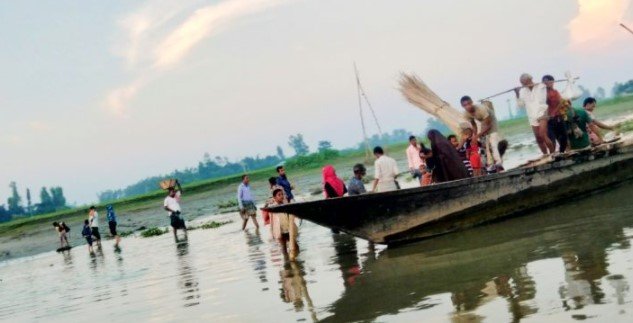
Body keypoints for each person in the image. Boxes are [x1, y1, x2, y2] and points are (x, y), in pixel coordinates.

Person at [515, 73, 555, 155]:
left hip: (542, 112)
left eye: (526, 82)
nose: (524, 84)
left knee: (542, 134)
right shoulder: (522, 91)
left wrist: (544, 84)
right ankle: (545, 154)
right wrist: (517, 94)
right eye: (523, 83)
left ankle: (553, 153)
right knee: (538, 138)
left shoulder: (541, 86)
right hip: (531, 116)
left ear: (530, 79)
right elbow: (521, 105)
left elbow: (541, 100)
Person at [460, 96, 503, 167]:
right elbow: (474, 125)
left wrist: (477, 135)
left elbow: (489, 125)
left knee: (493, 140)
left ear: (472, 102)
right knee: (483, 143)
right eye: (465, 105)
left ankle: (499, 162)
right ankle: (487, 163)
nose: (468, 106)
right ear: (462, 106)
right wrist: (475, 136)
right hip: (483, 122)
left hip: (491, 122)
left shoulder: (481, 109)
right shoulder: (466, 114)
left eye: (469, 104)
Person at [270, 188, 299, 261]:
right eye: (279, 195)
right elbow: (272, 223)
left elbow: (292, 216)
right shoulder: (273, 208)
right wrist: (273, 233)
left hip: (289, 229)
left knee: (295, 245)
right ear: (274, 197)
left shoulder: (286, 206)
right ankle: (286, 260)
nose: (281, 196)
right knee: (284, 247)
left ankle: (296, 257)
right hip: (280, 231)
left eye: (282, 194)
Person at [542, 75, 569, 153]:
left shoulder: (556, 92)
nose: (546, 83)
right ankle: (552, 155)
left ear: (552, 82)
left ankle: (561, 152)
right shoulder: (542, 94)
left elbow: (561, 102)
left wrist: (554, 112)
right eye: (544, 82)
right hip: (548, 121)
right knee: (552, 140)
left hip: (558, 117)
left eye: (548, 81)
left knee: (564, 138)